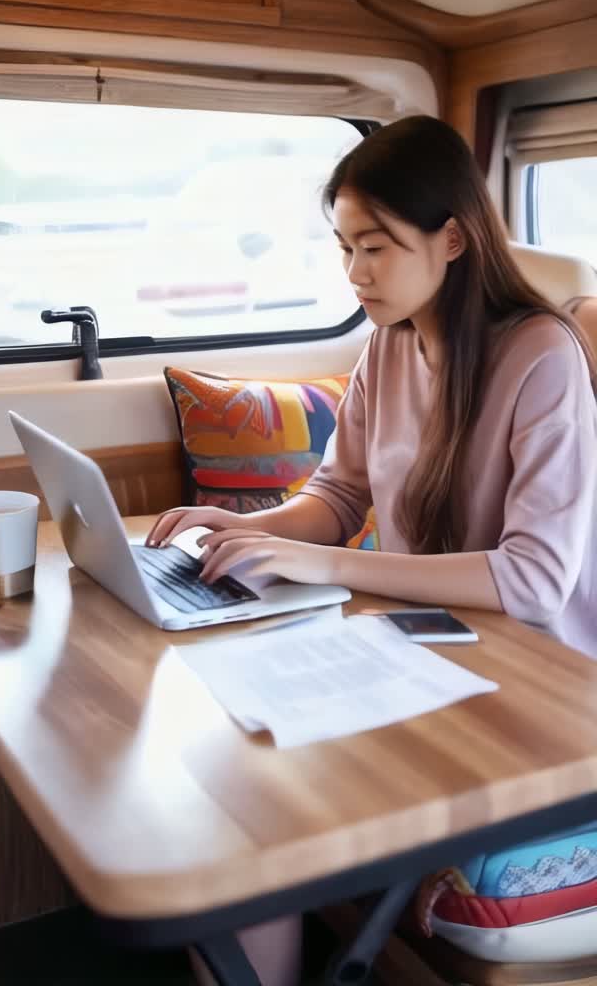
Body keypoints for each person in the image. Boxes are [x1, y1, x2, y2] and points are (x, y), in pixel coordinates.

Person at [147, 115, 597, 986]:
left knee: (273, 810)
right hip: (434, 647)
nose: (355, 273)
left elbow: (535, 583)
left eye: (376, 247)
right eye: (344, 247)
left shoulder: (543, 356)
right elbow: (340, 495)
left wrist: (331, 563)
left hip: (546, 690)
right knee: (250, 787)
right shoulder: (387, 349)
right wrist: (242, 531)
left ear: (455, 238)